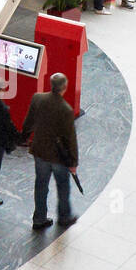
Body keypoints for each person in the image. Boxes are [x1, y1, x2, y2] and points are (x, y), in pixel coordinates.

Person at [20, 72, 79, 230]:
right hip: (58, 156)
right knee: (62, 186)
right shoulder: (65, 109)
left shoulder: (37, 98)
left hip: (39, 151)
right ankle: (64, 217)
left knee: (41, 185)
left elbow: (29, 121)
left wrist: (23, 137)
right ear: (64, 88)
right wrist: (73, 162)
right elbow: (70, 138)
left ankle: (39, 218)